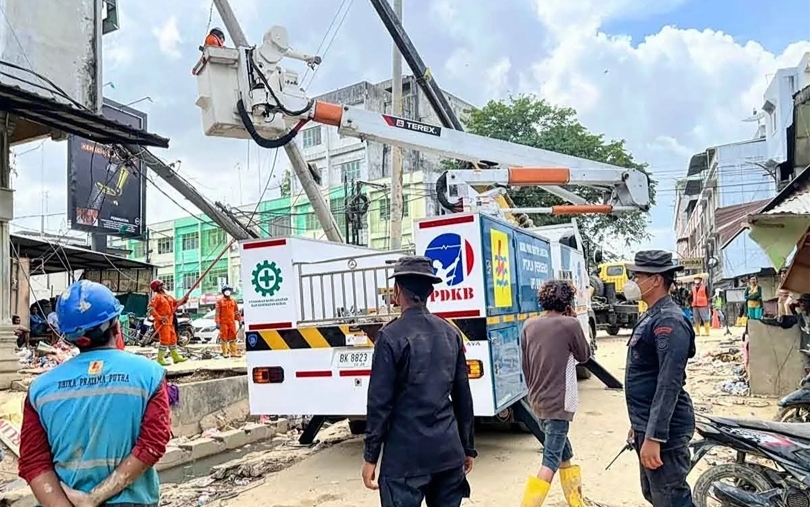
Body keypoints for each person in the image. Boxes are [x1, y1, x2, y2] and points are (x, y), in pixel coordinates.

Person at [18, 280, 171, 507]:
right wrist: (94, 497)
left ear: (68, 336)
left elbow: (33, 461)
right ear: (116, 324)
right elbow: (153, 444)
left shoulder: (40, 388)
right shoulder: (149, 375)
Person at [362, 256, 476, 507]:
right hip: (448, 453)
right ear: (430, 292)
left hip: (404, 459)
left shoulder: (390, 336)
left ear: (397, 290)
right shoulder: (450, 333)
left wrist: (371, 456)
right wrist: (467, 447)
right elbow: (462, 396)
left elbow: (380, 403)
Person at [622, 250, 696, 507]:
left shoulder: (669, 320)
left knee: (671, 498)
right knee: (654, 494)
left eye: (638, 275)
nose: (632, 281)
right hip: (649, 425)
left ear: (655, 280)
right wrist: (639, 424)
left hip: (667, 431)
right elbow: (646, 376)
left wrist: (654, 437)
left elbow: (668, 382)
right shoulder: (652, 314)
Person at [520, 280, 592, 507]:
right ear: (568, 302)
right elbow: (584, 356)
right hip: (559, 404)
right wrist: (574, 321)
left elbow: (525, 365)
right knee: (550, 461)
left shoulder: (528, 326)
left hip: (538, 400)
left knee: (564, 453)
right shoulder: (569, 325)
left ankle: (576, 502)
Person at [148, 279, 189, 366]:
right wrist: (159, 317)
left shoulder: (168, 296)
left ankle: (175, 357)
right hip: (162, 323)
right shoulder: (156, 297)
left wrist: (184, 299)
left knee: (173, 339)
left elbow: (176, 303)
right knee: (165, 340)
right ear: (158, 287)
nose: (164, 285)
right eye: (162, 284)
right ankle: (160, 358)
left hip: (170, 322)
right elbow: (151, 308)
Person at [215, 285, 241, 358]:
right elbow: (217, 313)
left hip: (232, 323)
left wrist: (239, 320)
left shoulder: (233, 301)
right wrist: (217, 322)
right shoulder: (219, 301)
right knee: (223, 338)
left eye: (229, 290)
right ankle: (225, 353)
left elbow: (236, 312)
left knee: (233, 337)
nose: (227, 291)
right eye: (226, 290)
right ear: (223, 292)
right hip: (223, 323)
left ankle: (233, 353)